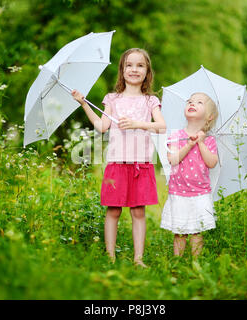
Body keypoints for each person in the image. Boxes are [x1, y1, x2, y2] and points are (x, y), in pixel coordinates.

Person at [72, 48, 166, 267]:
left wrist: (137, 124)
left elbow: (161, 126)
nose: (134, 69)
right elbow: (102, 126)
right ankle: (110, 257)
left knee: (138, 211)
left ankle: (138, 258)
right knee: (113, 210)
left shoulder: (150, 100)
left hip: (141, 164)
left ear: (147, 71)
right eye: (129, 65)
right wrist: (84, 104)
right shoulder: (112, 99)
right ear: (122, 70)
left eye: (140, 65)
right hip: (117, 163)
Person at [160, 92, 219, 258]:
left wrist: (200, 142)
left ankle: (196, 262)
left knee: (197, 230)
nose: (192, 103)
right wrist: (189, 144)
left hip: (200, 192)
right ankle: (177, 262)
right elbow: (173, 159)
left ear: (209, 117)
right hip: (178, 191)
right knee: (180, 231)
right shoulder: (176, 136)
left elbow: (212, 162)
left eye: (199, 102)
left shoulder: (209, 140)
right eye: (190, 101)